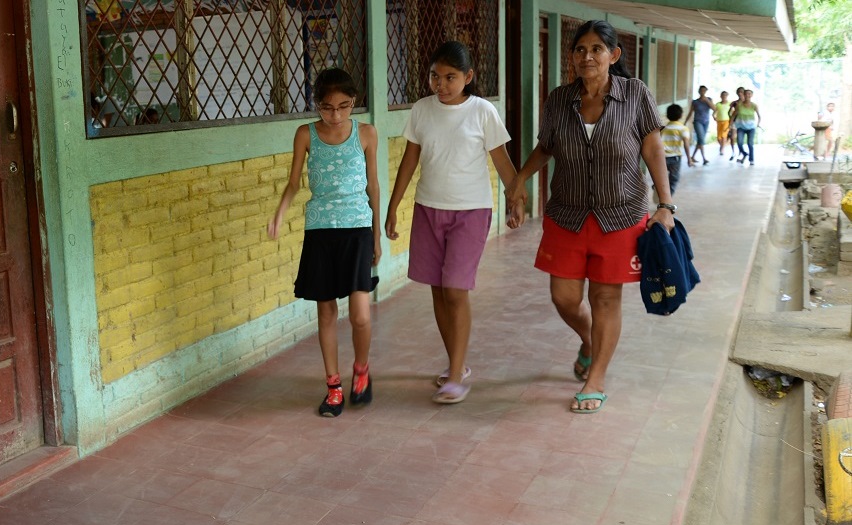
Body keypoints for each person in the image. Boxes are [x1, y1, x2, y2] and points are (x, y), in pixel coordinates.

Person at [506, 20, 676, 414]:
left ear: (613, 56)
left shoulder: (635, 95)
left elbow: (653, 149)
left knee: (604, 297)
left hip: (621, 214)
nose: (587, 57)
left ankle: (595, 377)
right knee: (564, 298)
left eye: (597, 49)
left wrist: (665, 205)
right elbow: (545, 147)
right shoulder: (559, 99)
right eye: (580, 49)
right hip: (567, 214)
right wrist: (519, 180)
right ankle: (590, 340)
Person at [384, 41, 520, 405]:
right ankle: (455, 364)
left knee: (456, 290)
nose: (440, 84)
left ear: (468, 77)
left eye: (449, 77)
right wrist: (393, 205)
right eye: (435, 76)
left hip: (471, 212)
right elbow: (409, 162)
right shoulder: (422, 110)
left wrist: (516, 198)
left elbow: (503, 162)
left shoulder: (482, 111)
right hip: (429, 208)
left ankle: (457, 375)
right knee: (437, 290)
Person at [268, 68, 381, 417]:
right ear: (316, 103)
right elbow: (293, 183)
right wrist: (280, 212)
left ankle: (361, 371)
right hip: (320, 231)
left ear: (354, 103)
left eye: (344, 106)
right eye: (327, 107)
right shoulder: (305, 134)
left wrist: (376, 235)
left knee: (360, 315)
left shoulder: (366, 134)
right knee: (327, 312)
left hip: (357, 228)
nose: (335, 115)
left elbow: (372, 186)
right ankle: (333, 387)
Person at [661, 103, 694, 195]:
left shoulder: (662, 129)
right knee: (674, 178)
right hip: (675, 158)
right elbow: (686, 144)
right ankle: (668, 198)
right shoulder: (683, 128)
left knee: (661, 177)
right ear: (681, 115)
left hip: (662, 157)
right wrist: (689, 159)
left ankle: (657, 186)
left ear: (667, 116)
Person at [733, 89, 760, 165]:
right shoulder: (739, 105)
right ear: (744, 95)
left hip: (751, 128)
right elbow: (733, 115)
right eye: (746, 94)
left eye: (749, 94)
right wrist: (731, 124)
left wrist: (758, 123)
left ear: (751, 95)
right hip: (741, 127)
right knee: (739, 143)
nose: (748, 95)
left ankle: (751, 159)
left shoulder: (754, 105)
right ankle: (744, 154)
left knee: (750, 144)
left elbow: (759, 116)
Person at [688, 85, 713, 164]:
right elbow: (690, 112)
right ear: (699, 91)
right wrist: (685, 122)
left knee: (700, 140)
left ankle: (692, 157)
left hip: (706, 122)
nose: (702, 92)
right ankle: (704, 159)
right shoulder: (695, 102)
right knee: (701, 139)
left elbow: (714, 108)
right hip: (697, 121)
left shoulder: (709, 99)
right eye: (701, 90)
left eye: (704, 91)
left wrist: (707, 101)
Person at [714, 90, 734, 158]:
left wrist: (731, 121)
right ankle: (721, 145)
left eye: (725, 95)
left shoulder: (729, 104)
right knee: (719, 137)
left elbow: (732, 112)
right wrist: (714, 116)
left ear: (727, 96)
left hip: (726, 121)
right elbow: (714, 112)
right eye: (723, 95)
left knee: (724, 135)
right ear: (720, 96)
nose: (724, 97)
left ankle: (722, 149)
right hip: (719, 121)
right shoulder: (718, 104)